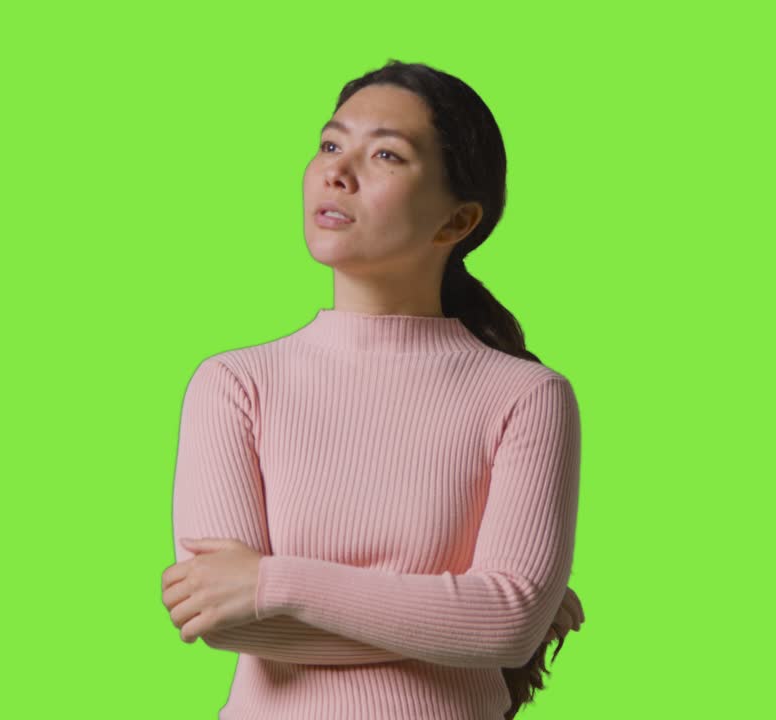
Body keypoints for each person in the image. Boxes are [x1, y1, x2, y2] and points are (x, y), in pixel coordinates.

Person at [162, 59, 585, 719]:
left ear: (457, 221)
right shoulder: (235, 385)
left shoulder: (525, 398)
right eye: (331, 144)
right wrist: (452, 616)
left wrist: (273, 581)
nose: (336, 170)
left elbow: (505, 626)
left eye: (385, 153)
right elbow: (224, 618)